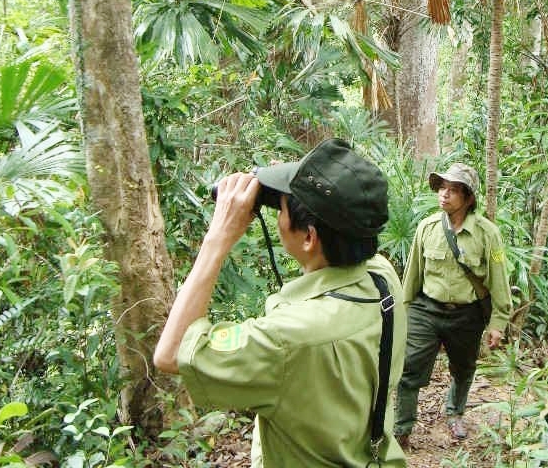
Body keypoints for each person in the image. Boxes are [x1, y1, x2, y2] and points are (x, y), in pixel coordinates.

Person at [153, 138, 408, 468]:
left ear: (309, 237)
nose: (278, 218)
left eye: (282, 209)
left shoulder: (287, 340)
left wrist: (217, 238)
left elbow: (170, 354)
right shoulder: (383, 277)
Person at [394, 163, 513, 447]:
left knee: (463, 367)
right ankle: (402, 429)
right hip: (426, 310)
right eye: (442, 189)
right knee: (409, 368)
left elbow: (499, 278)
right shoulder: (428, 227)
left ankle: (455, 412)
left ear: (468, 197)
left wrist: (498, 323)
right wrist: (402, 312)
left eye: (453, 190)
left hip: (466, 315)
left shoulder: (488, 234)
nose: (444, 195)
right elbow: (412, 275)